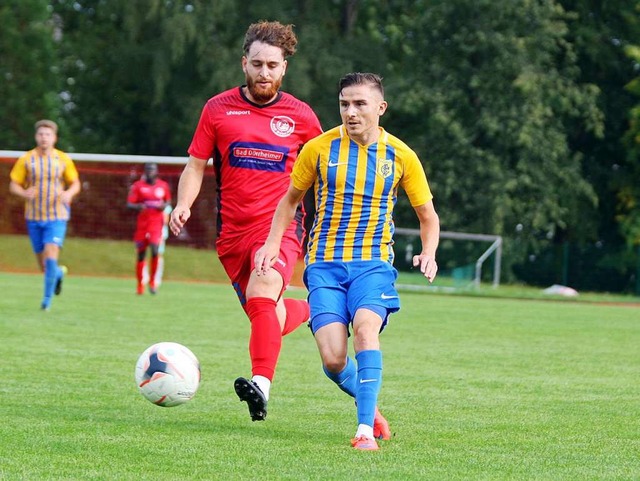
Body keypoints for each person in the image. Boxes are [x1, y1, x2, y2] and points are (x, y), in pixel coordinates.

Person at [255, 73, 440, 450]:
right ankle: (369, 406)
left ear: (380, 108)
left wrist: (429, 251)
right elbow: (290, 200)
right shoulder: (319, 149)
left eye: (359, 104)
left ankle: (363, 432)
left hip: (373, 264)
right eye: (344, 105)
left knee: (365, 331)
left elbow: (428, 216)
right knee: (334, 360)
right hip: (323, 265)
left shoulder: (401, 155)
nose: (350, 112)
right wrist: (272, 243)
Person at [169, 21, 323, 421]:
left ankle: (261, 387)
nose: (264, 73)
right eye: (257, 64)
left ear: (284, 67)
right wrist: (183, 203)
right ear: (244, 63)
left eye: (273, 65)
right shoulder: (217, 108)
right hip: (232, 236)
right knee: (267, 313)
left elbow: (326, 171)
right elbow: (196, 164)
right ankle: (317, 309)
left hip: (280, 230)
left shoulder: (302, 117)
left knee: (266, 287)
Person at [9, 119, 81, 311]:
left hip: (57, 216)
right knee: (44, 266)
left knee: (50, 254)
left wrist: (68, 193)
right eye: (41, 134)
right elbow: (13, 184)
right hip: (33, 216)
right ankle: (58, 274)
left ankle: (46, 301)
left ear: (54, 138)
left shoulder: (63, 159)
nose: (44, 138)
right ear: (36, 136)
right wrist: (24, 192)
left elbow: (75, 184)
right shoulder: (27, 159)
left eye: (47, 134)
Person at [127, 162, 172, 295]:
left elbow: (168, 201)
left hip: (156, 224)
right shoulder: (138, 186)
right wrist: (138, 207)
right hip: (142, 224)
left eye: (152, 169)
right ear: (145, 171)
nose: (150, 172)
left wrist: (164, 206)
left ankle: (152, 283)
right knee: (141, 254)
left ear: (156, 171)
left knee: (154, 250)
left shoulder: (163, 186)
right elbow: (129, 203)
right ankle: (140, 284)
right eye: (148, 169)